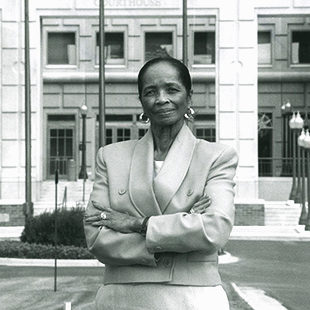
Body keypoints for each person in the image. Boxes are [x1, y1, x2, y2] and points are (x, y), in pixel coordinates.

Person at [84, 57, 238, 310]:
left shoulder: (216, 157)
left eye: (172, 89)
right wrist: (183, 224)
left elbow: (214, 229)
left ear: (189, 97)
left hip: (193, 298)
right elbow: (96, 238)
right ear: (141, 101)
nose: (161, 99)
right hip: (120, 298)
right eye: (150, 92)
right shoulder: (110, 156)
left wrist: (136, 223)